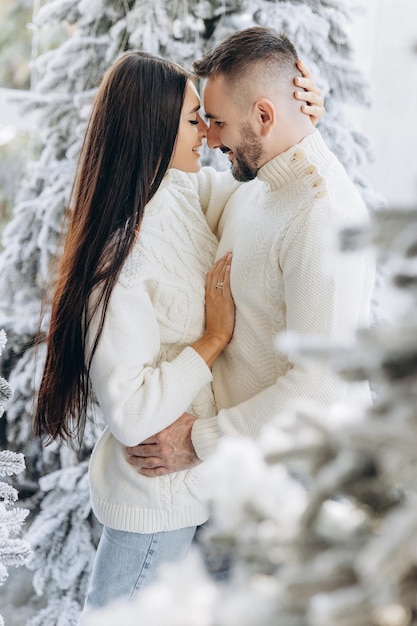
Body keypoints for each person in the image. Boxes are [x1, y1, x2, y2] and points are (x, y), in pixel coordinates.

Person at [33, 48, 324, 613]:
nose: (208, 136)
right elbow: (133, 412)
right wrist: (210, 341)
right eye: (195, 120)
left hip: (201, 494)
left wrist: (303, 121)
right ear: (154, 128)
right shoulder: (119, 258)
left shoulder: (183, 194)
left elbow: (264, 189)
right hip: (155, 505)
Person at [126, 28, 375, 483]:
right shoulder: (256, 184)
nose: (210, 136)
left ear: (263, 115)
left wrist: (199, 441)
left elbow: (321, 384)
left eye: (217, 121)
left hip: (308, 489)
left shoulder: (322, 217)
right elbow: (174, 187)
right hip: (251, 480)